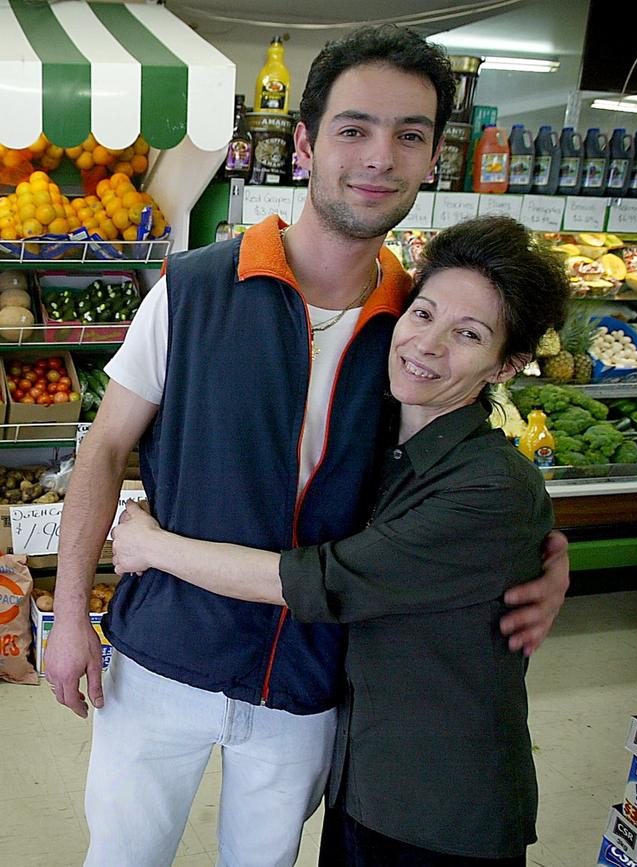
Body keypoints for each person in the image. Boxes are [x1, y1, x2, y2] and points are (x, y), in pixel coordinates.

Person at [44, 24, 569, 867]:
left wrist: (546, 555)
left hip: (308, 684)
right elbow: (105, 449)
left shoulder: (417, 329)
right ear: (304, 141)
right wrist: (70, 616)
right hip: (162, 662)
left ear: (433, 157)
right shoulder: (195, 288)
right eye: (354, 129)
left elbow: (461, 479)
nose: (379, 157)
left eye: (410, 135)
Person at [112, 215, 571, 865]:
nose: (428, 345)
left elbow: (321, 578)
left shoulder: (490, 487)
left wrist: (151, 545)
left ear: (510, 363)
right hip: (363, 787)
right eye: (424, 314)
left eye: (468, 334)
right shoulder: (395, 447)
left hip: (438, 807)